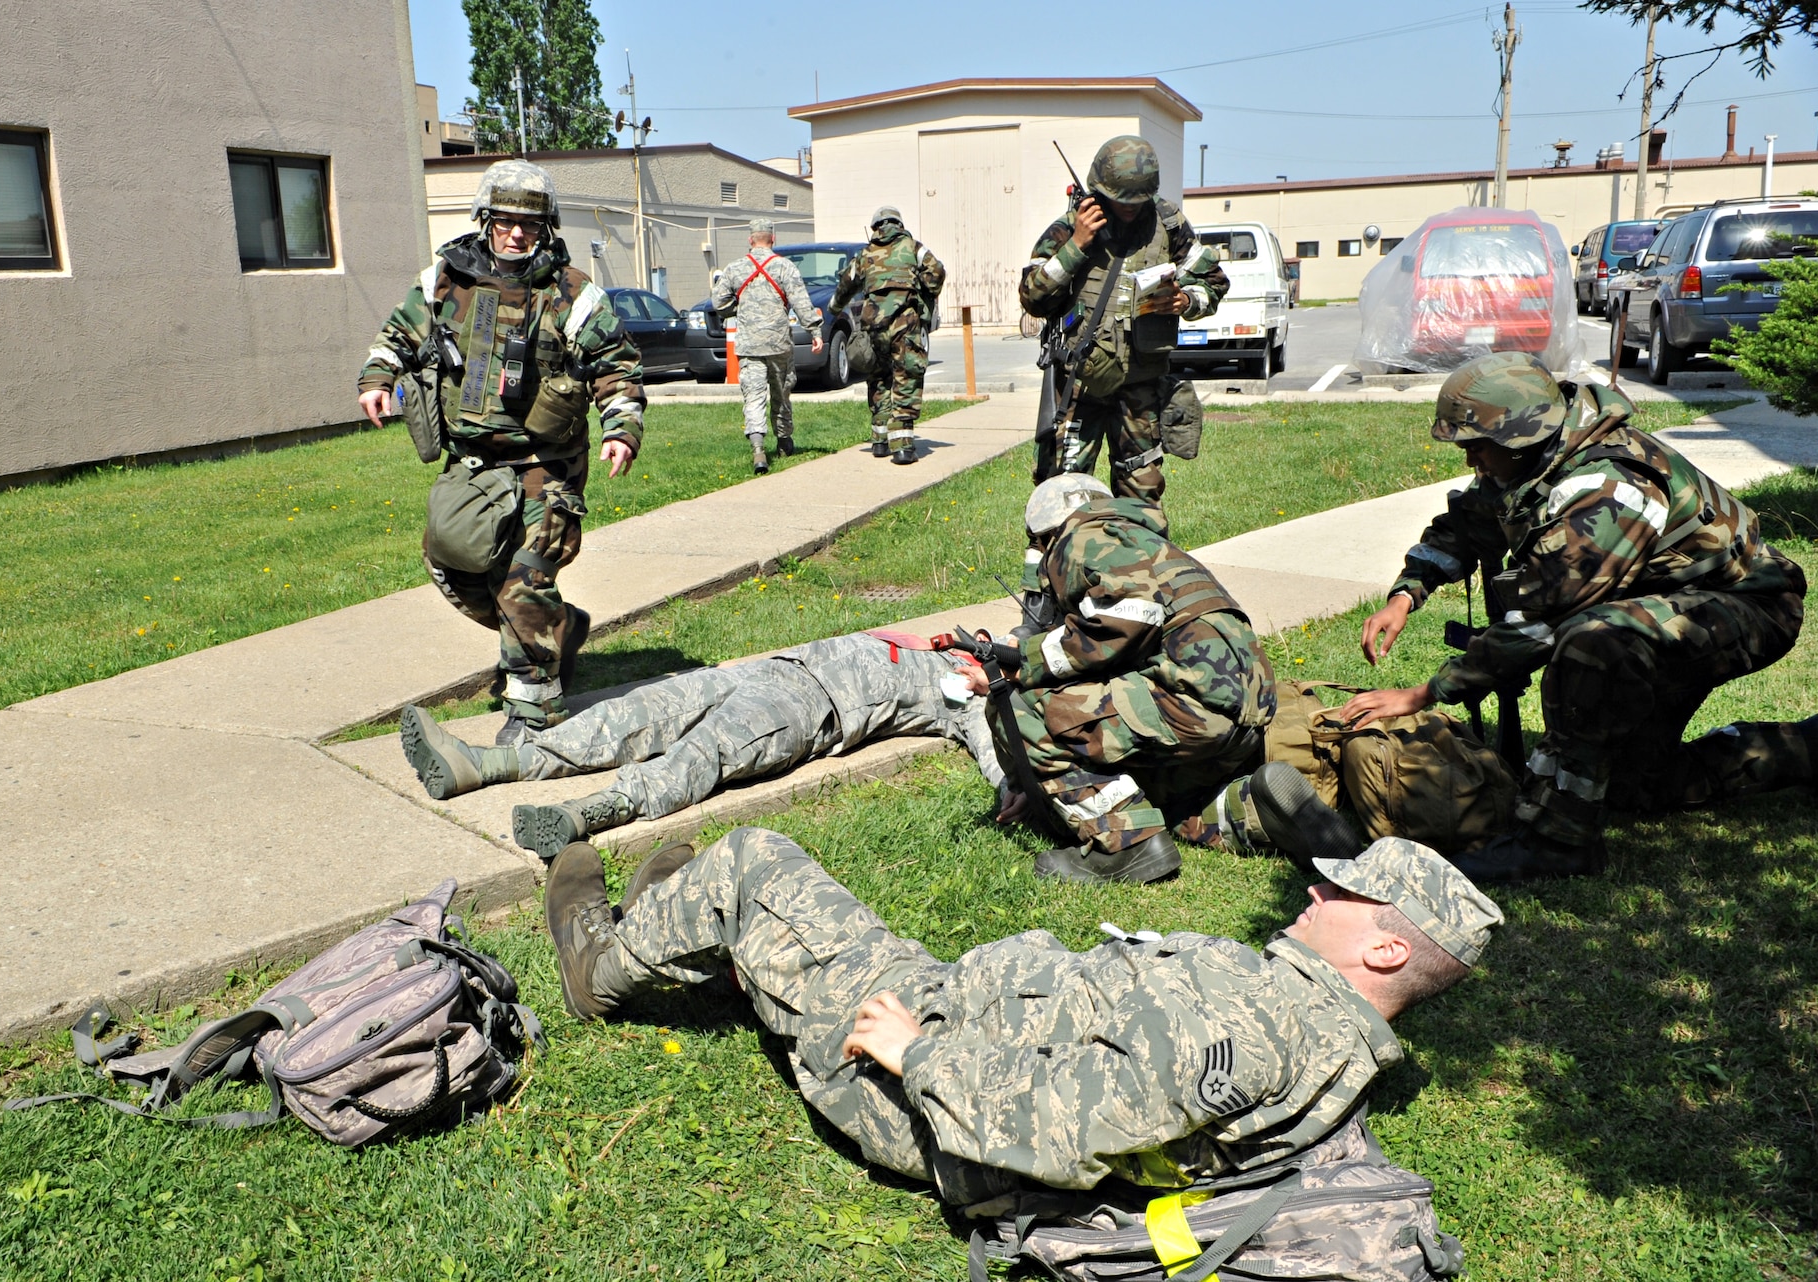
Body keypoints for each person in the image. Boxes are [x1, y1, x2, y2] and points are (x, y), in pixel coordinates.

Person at [544, 826, 1503, 1204]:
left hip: (926, 1087)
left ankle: (602, 965)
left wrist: (915, 1055)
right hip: (968, 1024)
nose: (1312, 890)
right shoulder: (1312, 1020)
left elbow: (1066, 1128)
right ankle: (702, 923)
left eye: (1341, 894)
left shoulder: (1254, 1032)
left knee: (755, 860)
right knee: (756, 908)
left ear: (1383, 948)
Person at [1343, 350, 1818, 882]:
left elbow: (1541, 619)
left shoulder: (1609, 489)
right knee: (1634, 786)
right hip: (1665, 607)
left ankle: (1557, 843)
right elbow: (1469, 521)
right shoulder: (1536, 456)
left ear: (1520, 435)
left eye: (1477, 448)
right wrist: (1406, 594)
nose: (1470, 462)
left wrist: (1425, 693)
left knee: (1592, 642)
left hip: (1748, 608)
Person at [358, 160, 645, 737]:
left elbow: (616, 364)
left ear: (547, 229)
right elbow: (397, 337)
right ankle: (555, 628)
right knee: (450, 563)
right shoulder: (443, 280)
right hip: (473, 463)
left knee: (523, 579)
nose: (518, 234)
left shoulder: (572, 294)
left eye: (531, 225)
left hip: (547, 465)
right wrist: (377, 378)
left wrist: (621, 425)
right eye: (507, 221)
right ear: (486, 219)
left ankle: (535, 712)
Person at [395, 631, 1002, 858]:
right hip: (774, 667)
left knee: (703, 751)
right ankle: (482, 764)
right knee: (639, 713)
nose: (984, 649)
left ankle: (586, 813)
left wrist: (1009, 788)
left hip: (808, 706)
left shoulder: (968, 697)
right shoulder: (939, 646)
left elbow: (992, 748)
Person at [977, 473, 1276, 885]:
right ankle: (1252, 809)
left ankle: (1126, 845)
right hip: (1250, 711)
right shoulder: (1141, 540)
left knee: (1019, 704)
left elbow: (1125, 618)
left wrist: (1021, 664)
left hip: (1191, 706)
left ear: (1045, 537)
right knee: (1148, 792)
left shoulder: (1080, 539)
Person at [1018, 136, 1228, 503]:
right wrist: (1077, 245)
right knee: (1061, 493)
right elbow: (1032, 296)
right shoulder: (1072, 225)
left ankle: (1141, 557)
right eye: (1120, 200)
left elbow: (1214, 283)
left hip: (1140, 390)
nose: (1129, 209)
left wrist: (1185, 300)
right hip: (1078, 385)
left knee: (1142, 495)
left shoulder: (1169, 224)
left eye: (1138, 201)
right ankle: (1050, 560)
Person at [829, 207, 946, 465]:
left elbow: (846, 284)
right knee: (906, 378)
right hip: (905, 325)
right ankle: (903, 447)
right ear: (899, 224)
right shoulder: (914, 248)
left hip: (874, 327)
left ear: (875, 227)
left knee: (879, 378)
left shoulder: (865, 253)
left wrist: (834, 308)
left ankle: (880, 442)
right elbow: (937, 272)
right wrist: (926, 294)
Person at [709, 218, 823, 474]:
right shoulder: (785, 267)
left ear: (750, 240)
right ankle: (784, 441)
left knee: (754, 396)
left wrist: (737, 308)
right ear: (773, 239)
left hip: (749, 345)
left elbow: (718, 302)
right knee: (781, 394)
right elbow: (801, 302)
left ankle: (758, 449)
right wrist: (814, 330)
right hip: (779, 344)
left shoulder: (736, 268)